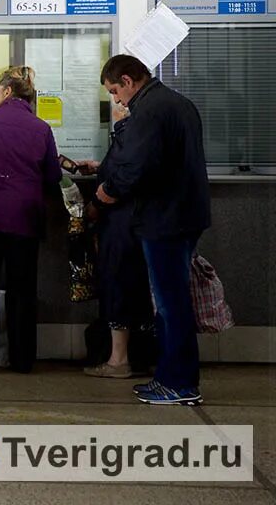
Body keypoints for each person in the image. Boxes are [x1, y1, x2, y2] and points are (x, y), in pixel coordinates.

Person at [95, 54, 210, 406]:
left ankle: (177, 382)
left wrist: (108, 192)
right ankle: (175, 377)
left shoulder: (148, 110)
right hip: (185, 214)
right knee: (174, 301)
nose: (117, 99)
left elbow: (137, 165)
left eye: (116, 91)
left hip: (164, 219)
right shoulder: (178, 103)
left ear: (129, 81)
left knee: (169, 303)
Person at [0, 66, 61, 374]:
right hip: (24, 217)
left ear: (6, 91)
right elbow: (52, 176)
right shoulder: (41, 128)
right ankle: (21, 360)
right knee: (22, 289)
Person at [81, 101, 154, 379]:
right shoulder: (139, 134)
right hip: (136, 222)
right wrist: (100, 167)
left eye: (115, 94)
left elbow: (123, 176)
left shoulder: (130, 131)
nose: (115, 103)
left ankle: (118, 360)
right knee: (136, 289)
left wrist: (97, 201)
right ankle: (140, 356)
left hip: (121, 222)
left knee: (118, 285)